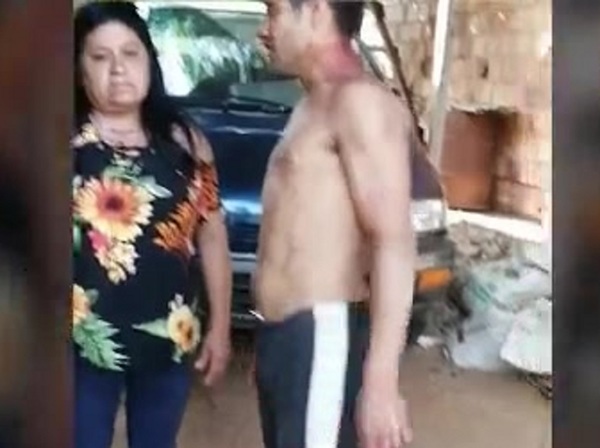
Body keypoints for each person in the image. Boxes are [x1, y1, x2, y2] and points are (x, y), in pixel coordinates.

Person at [252, 0, 416, 447]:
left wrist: (381, 384)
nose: (264, 30)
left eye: (274, 11)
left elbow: (394, 242)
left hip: (322, 334)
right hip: (288, 339)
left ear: (317, 11)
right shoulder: (312, 104)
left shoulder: (359, 102)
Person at [72, 3, 232, 448]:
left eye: (130, 53)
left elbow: (212, 235)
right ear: (80, 71)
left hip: (167, 337)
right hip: (79, 342)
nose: (118, 69)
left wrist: (220, 328)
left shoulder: (185, 143)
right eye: (100, 57)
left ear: (150, 61)